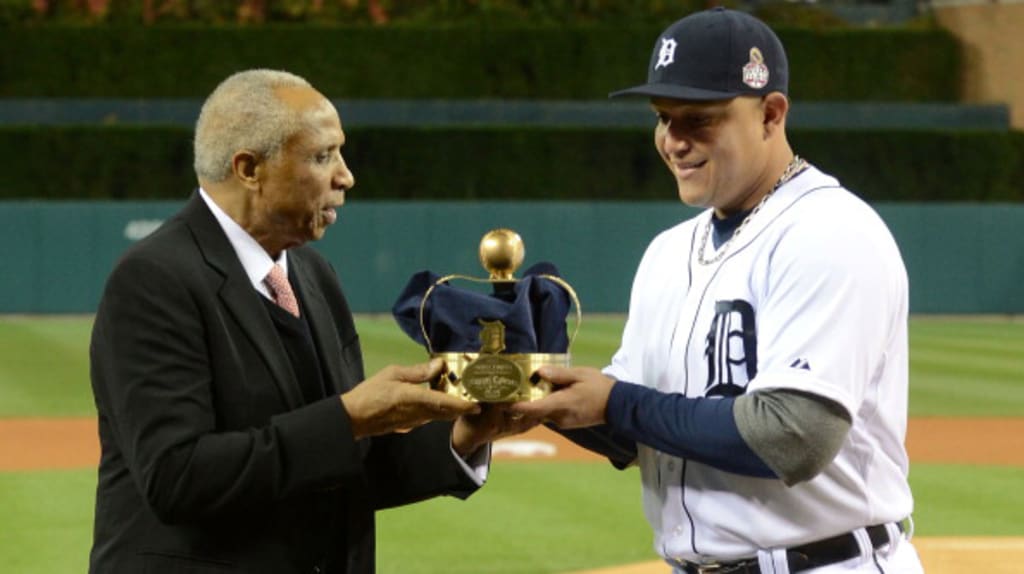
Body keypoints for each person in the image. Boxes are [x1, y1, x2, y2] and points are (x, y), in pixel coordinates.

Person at [512, 8, 924, 573]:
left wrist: (614, 401)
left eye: (698, 119)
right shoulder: (667, 252)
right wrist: (534, 390)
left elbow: (794, 435)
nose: (673, 141)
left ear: (770, 114)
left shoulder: (829, 231)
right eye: (662, 117)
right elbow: (638, 430)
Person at [88, 69, 527, 573]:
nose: (346, 176)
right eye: (323, 156)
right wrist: (351, 417)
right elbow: (178, 477)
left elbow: (339, 464)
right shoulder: (155, 278)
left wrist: (464, 435)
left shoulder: (311, 272)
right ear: (249, 168)